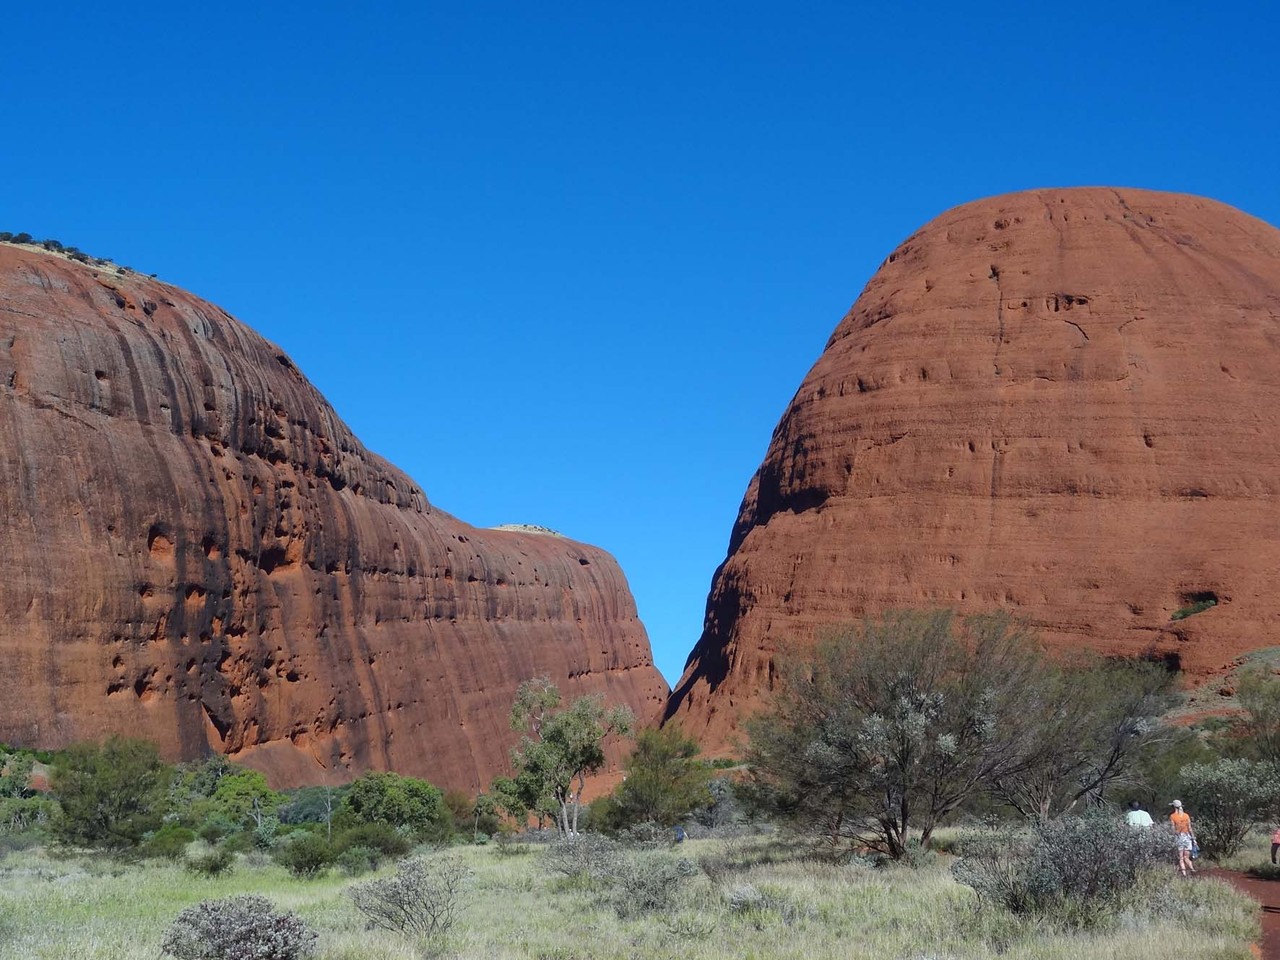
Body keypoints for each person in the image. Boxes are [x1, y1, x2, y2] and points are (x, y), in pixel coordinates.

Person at [1170, 800, 1197, 876]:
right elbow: (1190, 828)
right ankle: (1192, 869)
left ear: (1174, 806)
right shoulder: (1186, 815)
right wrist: (1193, 838)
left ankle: (1184, 874)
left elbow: (1173, 829)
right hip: (1187, 837)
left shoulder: (1172, 816)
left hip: (1179, 837)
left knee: (1181, 858)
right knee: (1186, 857)